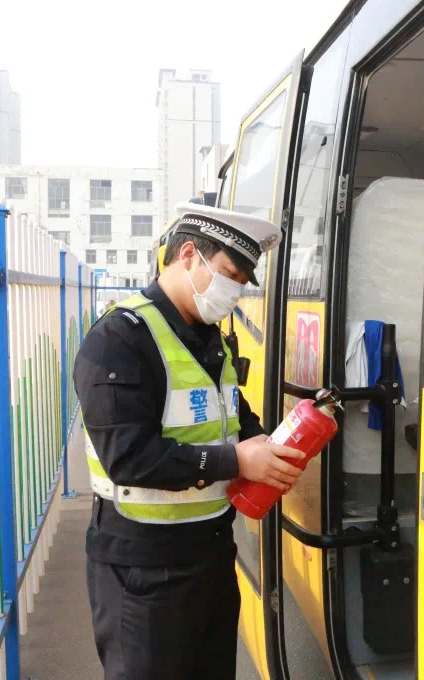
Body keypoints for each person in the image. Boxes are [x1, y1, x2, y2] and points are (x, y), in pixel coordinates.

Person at [74, 204, 307, 680]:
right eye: (228, 274)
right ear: (187, 256)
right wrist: (236, 460)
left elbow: (233, 414)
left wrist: (269, 444)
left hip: (211, 555)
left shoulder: (209, 337)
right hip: (143, 569)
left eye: (241, 282)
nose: (234, 292)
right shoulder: (119, 339)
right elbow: (129, 458)